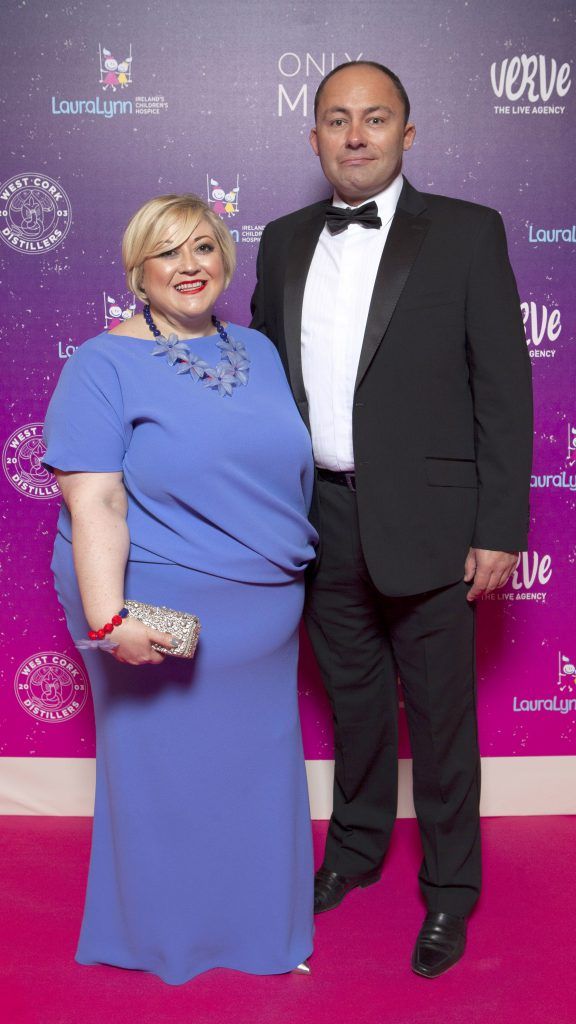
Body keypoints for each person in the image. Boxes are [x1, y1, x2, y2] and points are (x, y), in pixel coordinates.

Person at [251, 62, 533, 978]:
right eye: (338, 120)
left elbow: (504, 388)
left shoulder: (465, 231)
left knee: (444, 721)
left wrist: (498, 526)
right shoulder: (285, 240)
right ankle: (357, 852)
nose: (357, 134)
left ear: (407, 133)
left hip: (437, 524)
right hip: (318, 519)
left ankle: (451, 892)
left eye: (376, 119)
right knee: (356, 706)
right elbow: (261, 385)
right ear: (315, 137)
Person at [43, 193, 317, 984]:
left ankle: (262, 928)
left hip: (263, 607)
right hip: (159, 606)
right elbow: (95, 501)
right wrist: (110, 617)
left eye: (203, 247)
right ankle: (164, 939)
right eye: (167, 252)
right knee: (163, 774)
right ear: (138, 270)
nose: (188, 266)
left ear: (226, 260)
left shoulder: (260, 351)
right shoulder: (101, 363)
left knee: (255, 775)